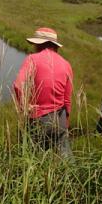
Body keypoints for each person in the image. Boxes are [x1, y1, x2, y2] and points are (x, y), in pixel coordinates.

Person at [13, 27, 73, 158]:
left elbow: (18, 85)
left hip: (38, 119)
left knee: (34, 157)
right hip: (60, 117)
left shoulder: (32, 59)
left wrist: (24, 106)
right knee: (65, 155)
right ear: (55, 45)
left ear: (39, 44)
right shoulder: (66, 64)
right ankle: (71, 171)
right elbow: (67, 100)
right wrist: (66, 123)